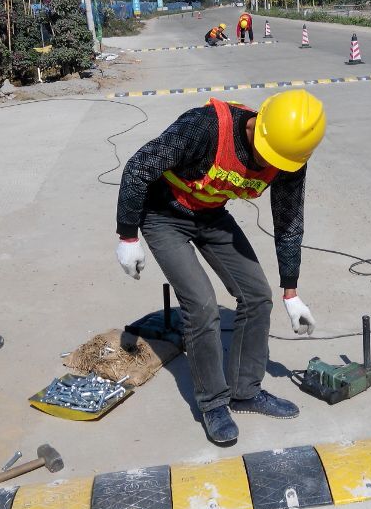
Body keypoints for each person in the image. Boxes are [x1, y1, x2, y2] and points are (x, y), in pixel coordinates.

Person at [115, 90, 326, 445]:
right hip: (164, 215)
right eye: (265, 153)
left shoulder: (289, 155)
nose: (267, 164)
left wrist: (291, 291)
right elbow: (139, 167)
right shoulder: (204, 127)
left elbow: (288, 220)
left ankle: (245, 390)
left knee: (258, 296)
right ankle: (212, 403)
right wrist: (127, 236)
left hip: (210, 214)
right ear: (259, 127)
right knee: (202, 306)